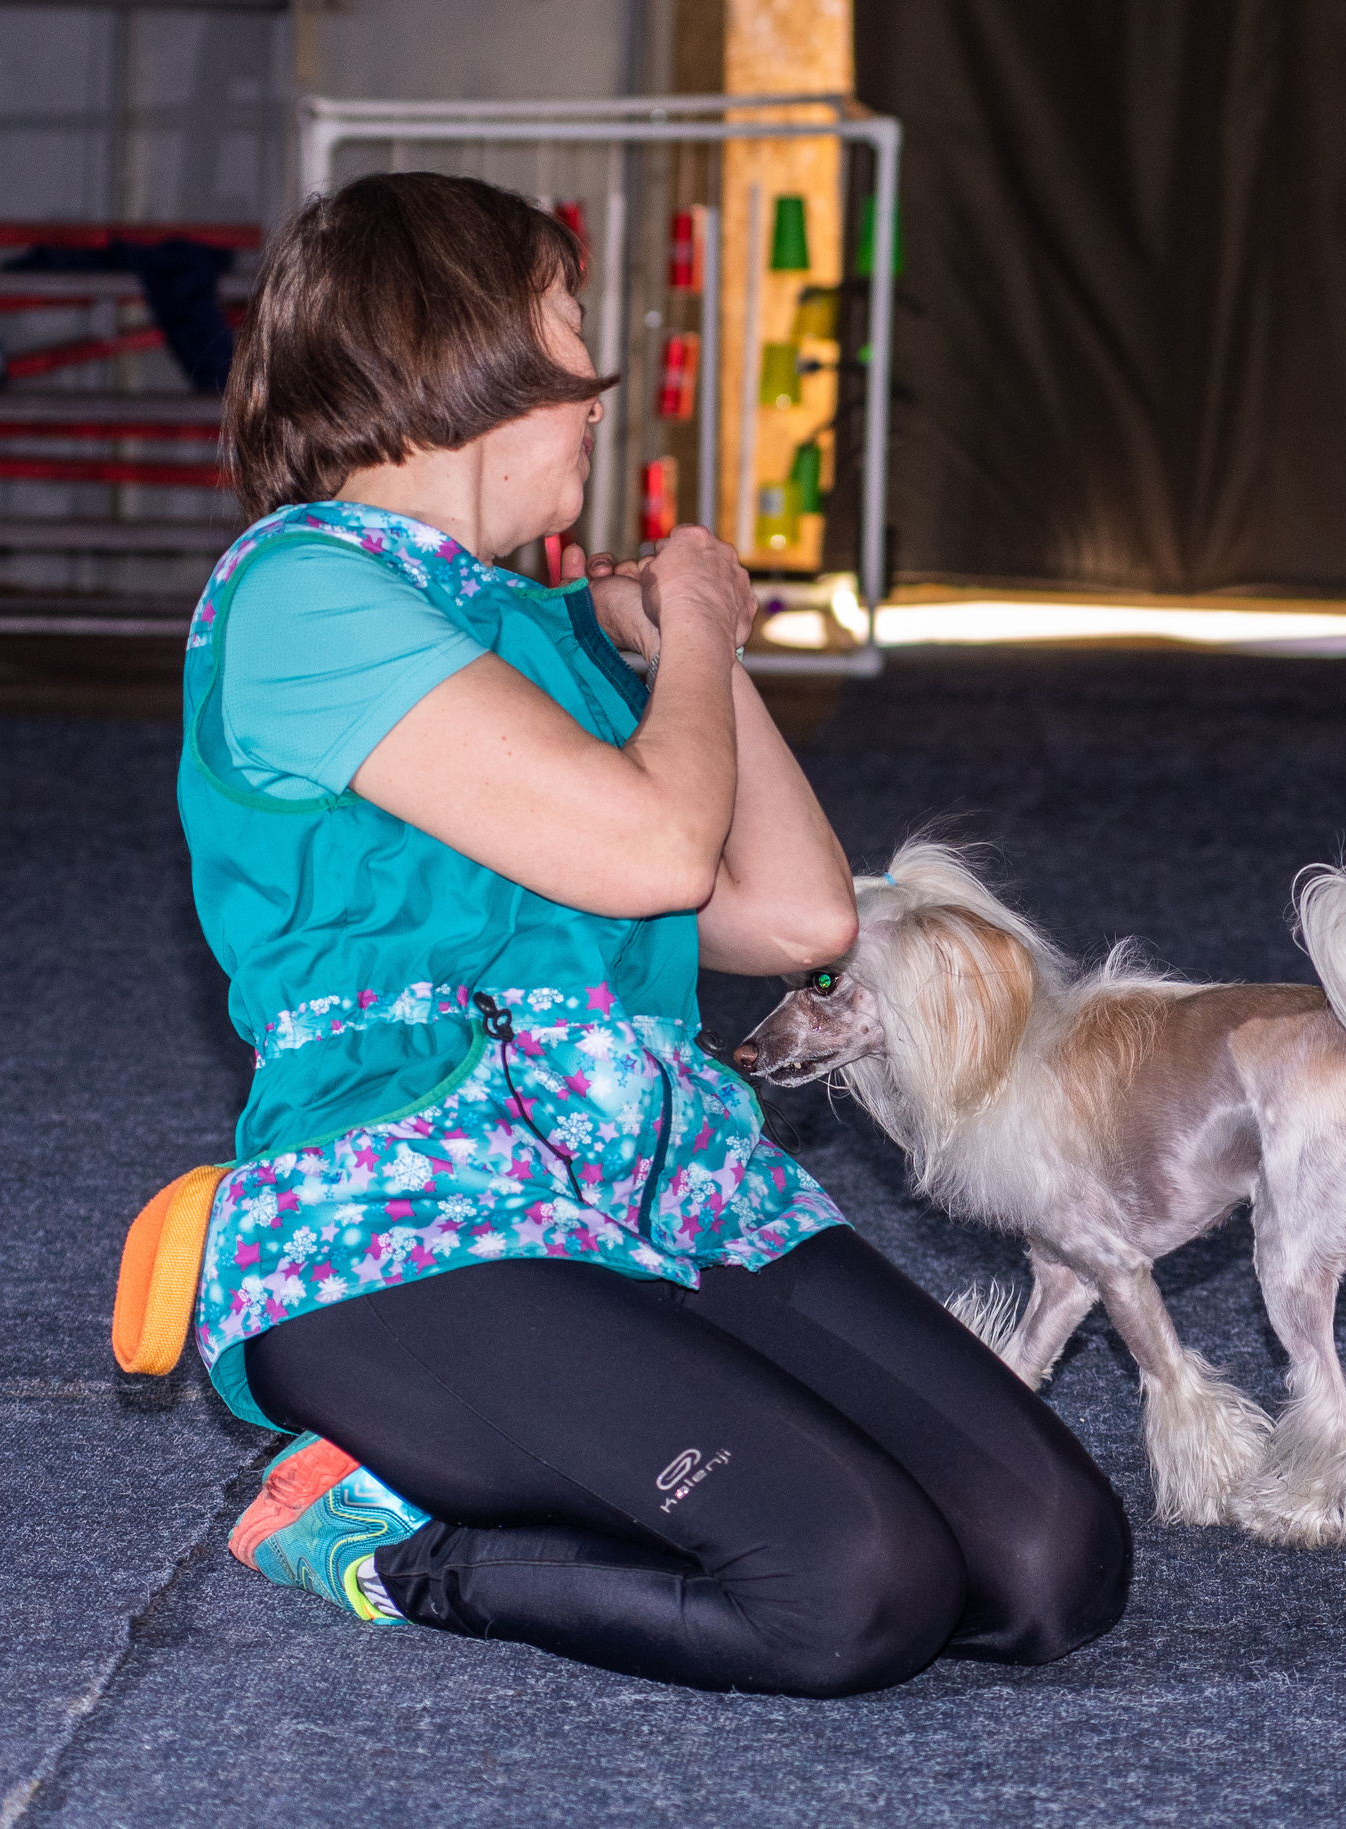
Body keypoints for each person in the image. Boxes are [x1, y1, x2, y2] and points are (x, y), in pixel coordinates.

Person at [177, 172, 1130, 1697]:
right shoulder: (302, 590)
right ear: (460, 355)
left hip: (654, 1184)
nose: (597, 387)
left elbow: (799, 917)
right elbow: (651, 846)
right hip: (406, 1222)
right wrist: (689, 628)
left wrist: (706, 660)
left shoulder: (538, 624)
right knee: (851, 1585)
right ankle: (386, 1536)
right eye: (564, 327)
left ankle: (575, 1441)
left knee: (1050, 1562)